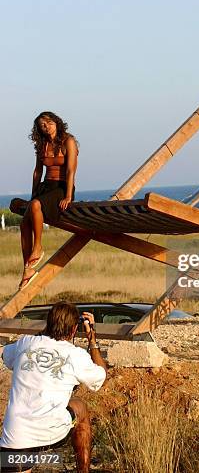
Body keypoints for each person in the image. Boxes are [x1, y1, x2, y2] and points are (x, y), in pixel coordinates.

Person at [0, 301, 107, 473]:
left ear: (48, 323)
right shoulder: (75, 355)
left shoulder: (25, 343)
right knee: (80, 407)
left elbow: (5, 355)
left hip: (16, 440)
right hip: (51, 433)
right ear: (73, 330)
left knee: (17, 463)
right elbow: (101, 375)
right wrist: (92, 339)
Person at [19, 112, 78, 290]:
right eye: (42, 125)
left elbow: (70, 172)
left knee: (36, 205)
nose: (47, 126)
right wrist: (33, 194)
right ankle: (27, 269)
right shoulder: (42, 145)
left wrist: (68, 196)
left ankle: (38, 248)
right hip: (46, 187)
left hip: (62, 188)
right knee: (24, 224)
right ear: (39, 129)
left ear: (57, 122)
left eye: (49, 122)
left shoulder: (69, 141)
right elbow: (38, 171)